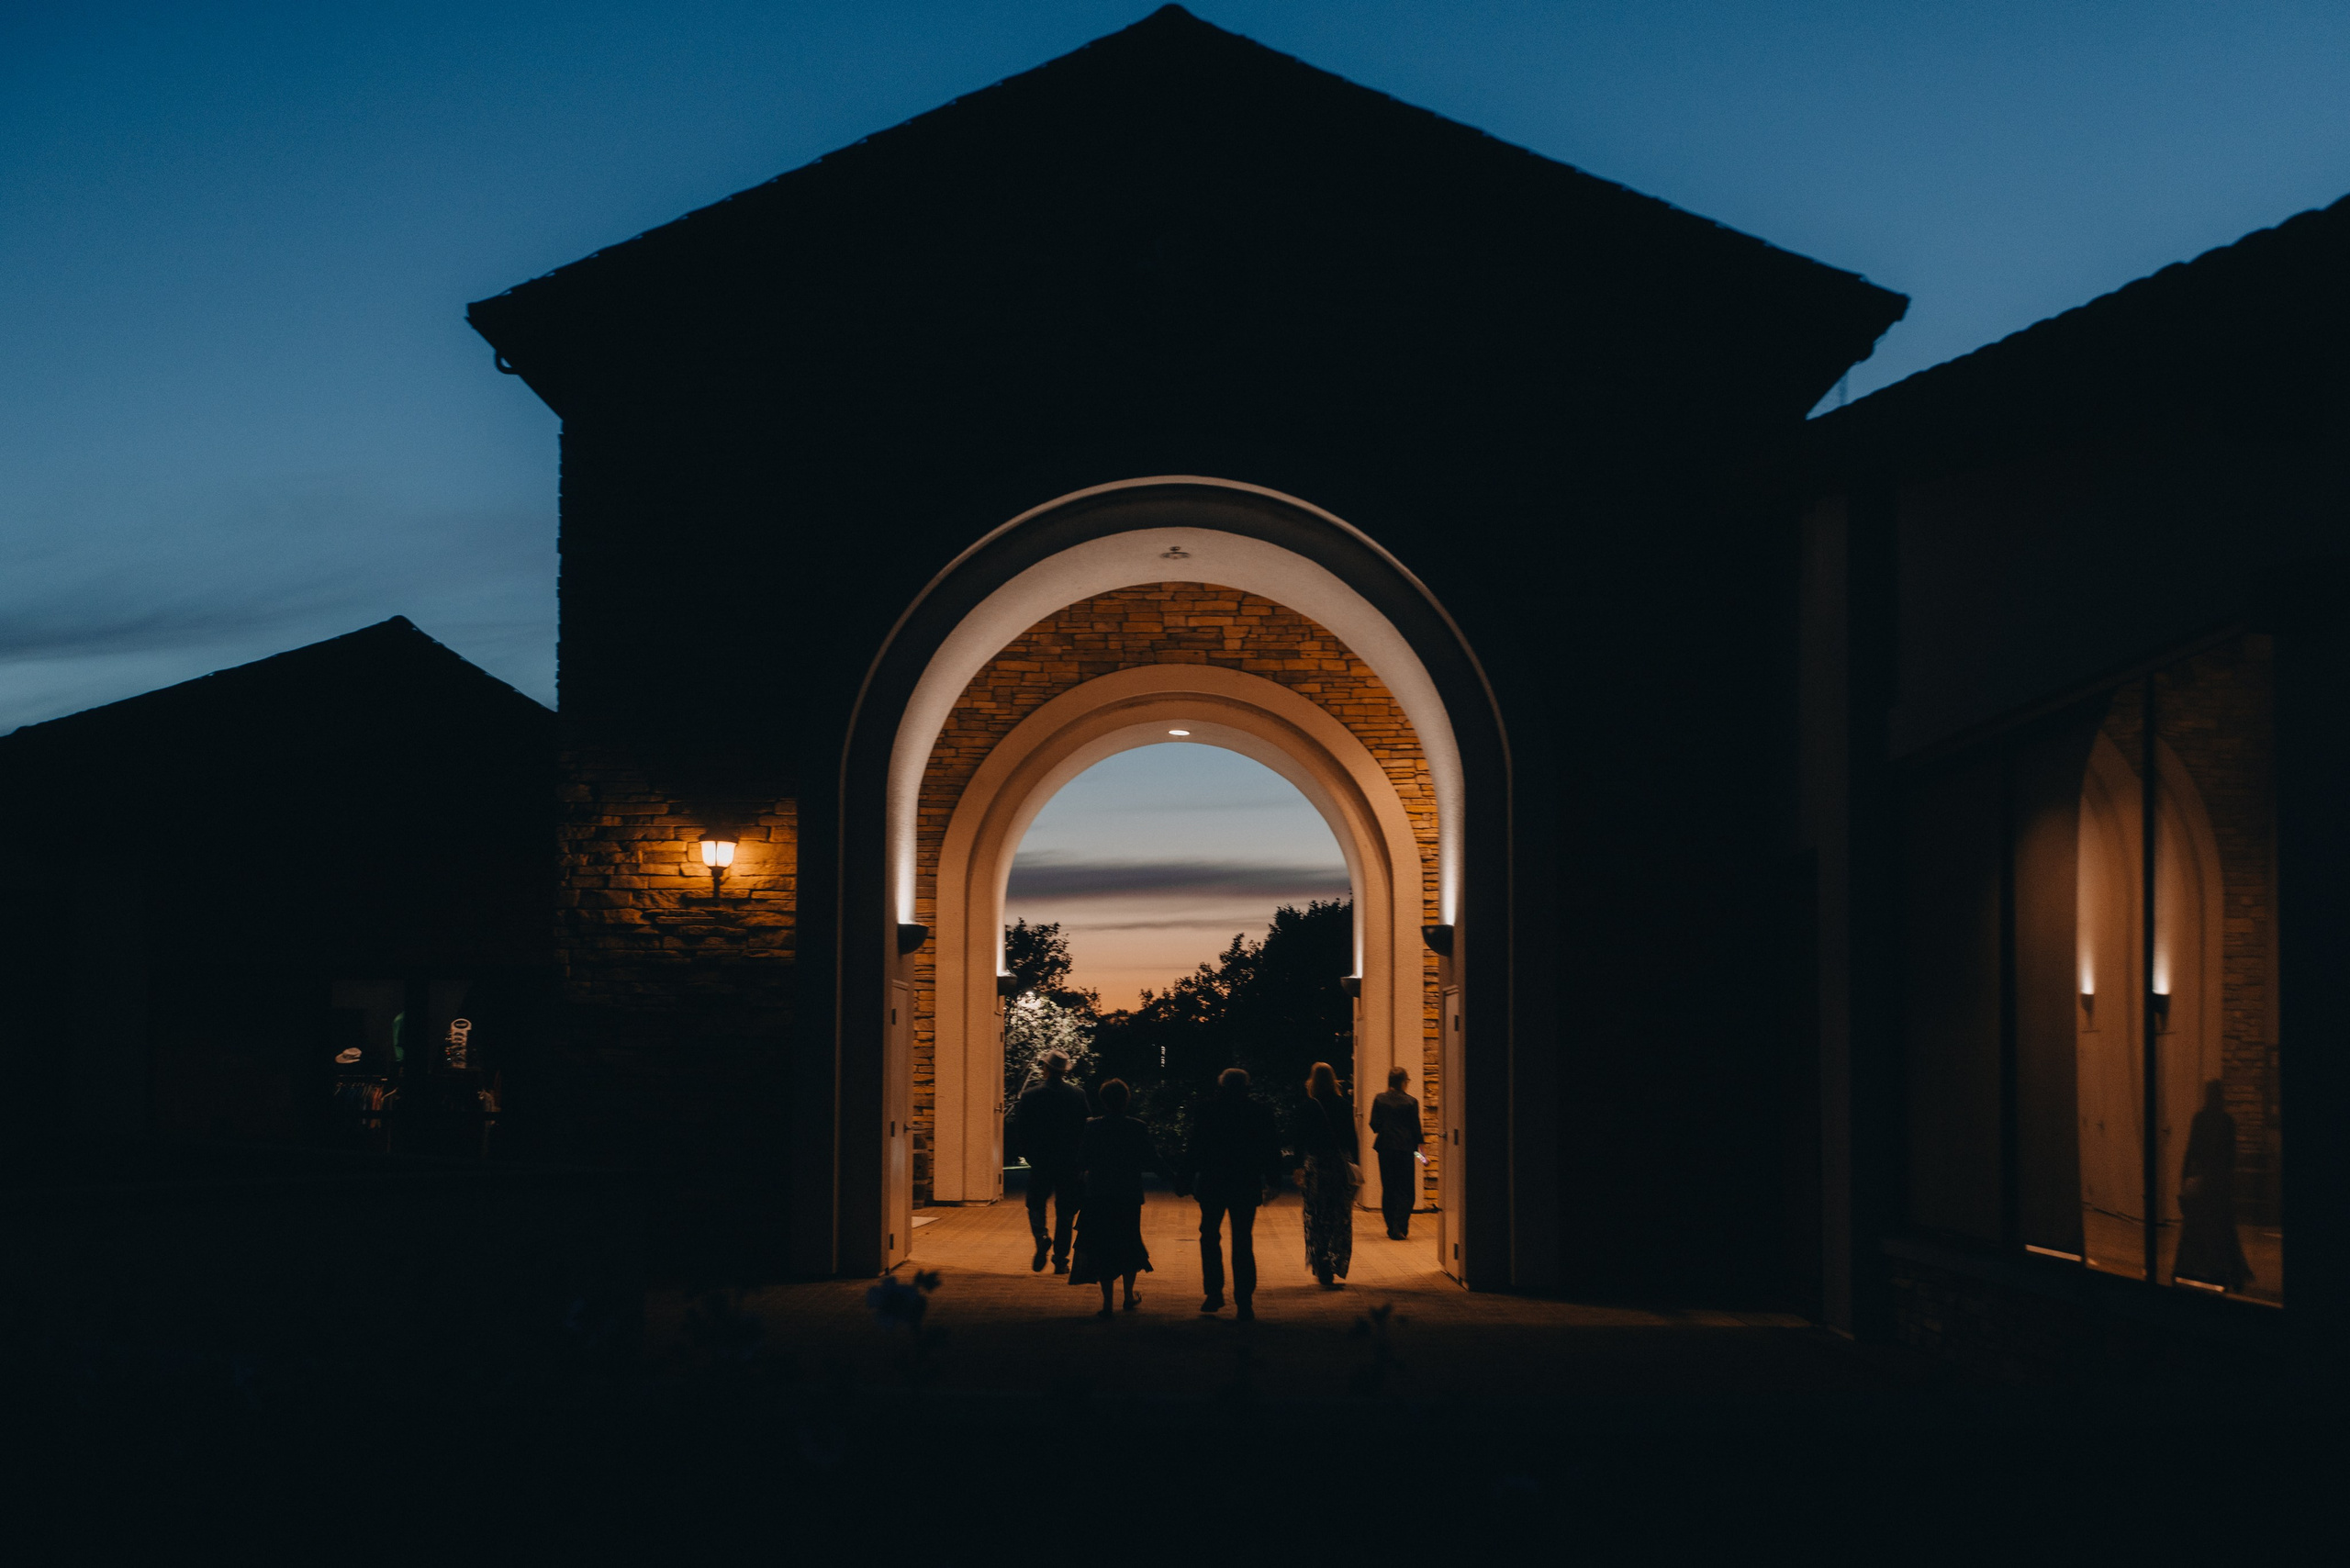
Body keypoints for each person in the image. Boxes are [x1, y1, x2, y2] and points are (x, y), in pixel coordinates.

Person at [1179, 1067, 1284, 1320]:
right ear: (1246, 1087)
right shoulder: (1260, 1112)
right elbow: (1270, 1148)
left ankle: (1214, 1293)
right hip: (1245, 1183)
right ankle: (1244, 1300)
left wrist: (1184, 1178)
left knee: (1209, 1235)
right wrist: (1273, 1180)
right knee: (1242, 1240)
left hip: (1213, 1182)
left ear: (1222, 1086)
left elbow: (1196, 1146)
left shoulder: (1207, 1110)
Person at [1069, 1078, 1155, 1316]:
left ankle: (1107, 1304)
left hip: (1099, 1194)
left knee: (1103, 1245)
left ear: (1103, 1101)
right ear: (1126, 1100)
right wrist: (1176, 1179)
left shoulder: (1092, 1127)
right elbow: (1151, 1158)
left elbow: (1081, 1160)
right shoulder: (1137, 1127)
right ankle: (1128, 1295)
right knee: (1129, 1242)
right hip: (1128, 1194)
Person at [2173, 1079, 2255, 1294]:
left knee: (2196, 1228)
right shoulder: (2226, 1121)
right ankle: (2227, 1271)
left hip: (2204, 1184)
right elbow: (2230, 1157)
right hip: (2219, 1184)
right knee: (2223, 1229)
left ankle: (2190, 1268)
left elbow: (2192, 1151)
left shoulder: (2200, 1119)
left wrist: (2185, 1177)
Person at [1011, 1050, 1089, 1273]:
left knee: (1035, 1203)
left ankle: (1041, 1236)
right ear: (1064, 1072)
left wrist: (1029, 1154)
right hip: (1069, 1162)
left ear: (1046, 1069)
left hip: (1042, 1160)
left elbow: (1022, 1131)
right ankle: (1061, 1261)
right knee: (1065, 1212)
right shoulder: (1077, 1095)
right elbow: (1086, 1128)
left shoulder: (1030, 1095)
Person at [1296, 1060, 1358, 1288]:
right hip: (1339, 1166)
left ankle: (1320, 1262)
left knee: (1316, 1216)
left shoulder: (1307, 1107)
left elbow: (1300, 1139)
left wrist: (1297, 1166)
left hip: (1316, 1167)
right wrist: (1356, 1166)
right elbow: (1351, 1138)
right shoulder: (1343, 1105)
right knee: (1338, 1216)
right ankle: (1334, 1262)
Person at [1369, 1065, 1424, 1241]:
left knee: (1389, 1187)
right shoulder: (1411, 1102)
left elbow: (1374, 1124)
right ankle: (1400, 1227)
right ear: (1403, 1082)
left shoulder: (1379, 1099)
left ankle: (1391, 1225)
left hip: (1385, 1147)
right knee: (1407, 1190)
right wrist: (1421, 1154)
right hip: (1406, 1148)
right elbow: (1416, 1129)